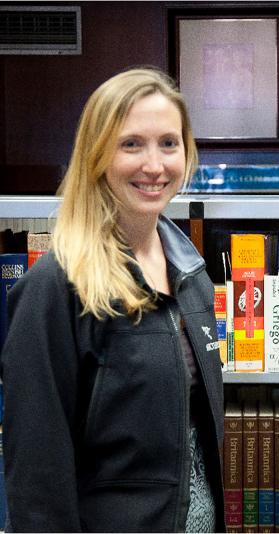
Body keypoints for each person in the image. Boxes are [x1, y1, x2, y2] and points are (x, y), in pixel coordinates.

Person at [0, 68, 225, 532]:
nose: (155, 164)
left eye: (168, 142)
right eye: (131, 144)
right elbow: (37, 472)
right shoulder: (56, 288)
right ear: (97, 154)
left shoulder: (193, 276)